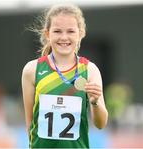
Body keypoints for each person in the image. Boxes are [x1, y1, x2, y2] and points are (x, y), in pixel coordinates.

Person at [21, 4, 108, 148]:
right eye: (57, 31)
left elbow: (101, 124)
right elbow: (30, 124)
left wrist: (95, 102)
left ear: (80, 33)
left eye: (70, 31)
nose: (64, 37)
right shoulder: (32, 70)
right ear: (47, 34)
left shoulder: (90, 70)